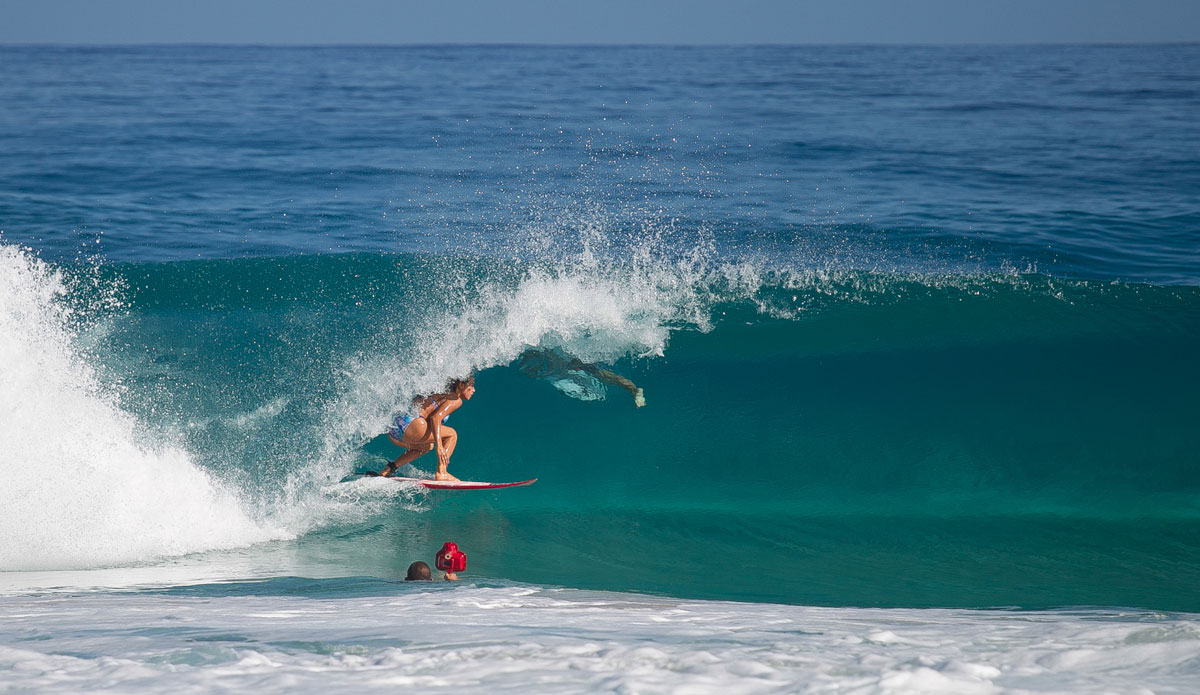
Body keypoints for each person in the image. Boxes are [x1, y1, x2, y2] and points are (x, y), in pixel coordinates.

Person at [379, 376, 476, 481]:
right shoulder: (455, 399)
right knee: (452, 434)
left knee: (426, 447)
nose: (474, 390)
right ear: (461, 385)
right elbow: (436, 418)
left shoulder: (440, 393)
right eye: (471, 386)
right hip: (412, 425)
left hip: (395, 430)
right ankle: (442, 472)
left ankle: (389, 468)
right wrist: (439, 446)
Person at [516, 347, 645, 407]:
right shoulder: (560, 361)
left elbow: (618, 379)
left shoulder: (590, 368)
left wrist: (635, 392)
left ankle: (636, 392)